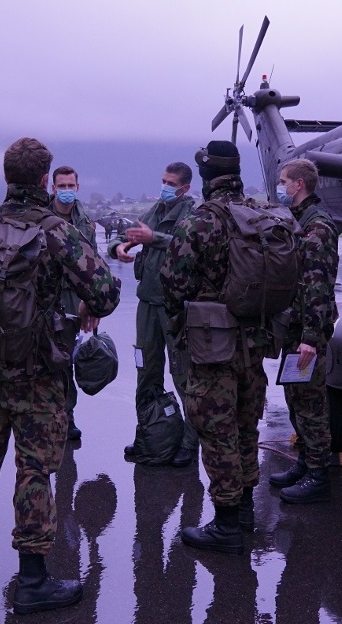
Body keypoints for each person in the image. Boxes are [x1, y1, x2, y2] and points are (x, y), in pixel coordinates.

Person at [0, 137, 121, 614]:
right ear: (45, 181)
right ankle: (31, 579)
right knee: (34, 471)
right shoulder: (56, 231)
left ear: (7, 177)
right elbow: (106, 293)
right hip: (37, 375)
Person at [160, 141, 274, 553]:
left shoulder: (200, 222)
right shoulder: (260, 215)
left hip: (213, 347)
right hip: (255, 344)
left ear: (206, 178)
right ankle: (244, 509)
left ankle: (225, 524)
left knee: (217, 431)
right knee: (246, 425)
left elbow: (172, 284)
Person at [108, 161, 198, 466]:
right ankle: (148, 431)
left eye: (171, 183)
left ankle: (190, 441)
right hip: (147, 304)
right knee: (146, 369)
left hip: (174, 308)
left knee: (181, 373)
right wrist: (119, 247)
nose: (165, 187)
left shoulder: (191, 214)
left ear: (184, 188)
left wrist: (153, 239)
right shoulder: (156, 210)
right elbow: (127, 234)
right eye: (163, 181)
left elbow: (190, 246)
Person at [269, 158, 340, 504]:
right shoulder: (299, 221)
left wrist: (311, 338)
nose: (280, 187)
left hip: (307, 333)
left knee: (311, 403)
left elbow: (317, 286)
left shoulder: (317, 228)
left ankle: (318, 474)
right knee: (295, 399)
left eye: (284, 182)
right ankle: (304, 463)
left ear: (299, 185)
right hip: (295, 329)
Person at [48, 165, 99, 441]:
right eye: (61, 186)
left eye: (71, 186)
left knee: (68, 356)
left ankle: (67, 416)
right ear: (53, 187)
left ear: (77, 188)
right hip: (46, 295)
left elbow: (94, 267)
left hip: (73, 297)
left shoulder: (85, 223)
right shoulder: (42, 218)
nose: (66, 191)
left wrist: (93, 304)